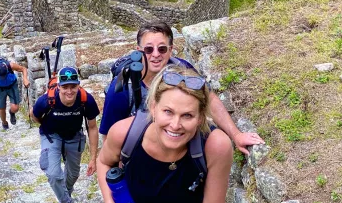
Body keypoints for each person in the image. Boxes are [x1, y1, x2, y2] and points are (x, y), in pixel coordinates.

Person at [99, 21, 264, 155]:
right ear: (138, 51)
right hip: (141, 155)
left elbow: (209, 99)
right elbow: (108, 136)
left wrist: (236, 135)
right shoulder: (121, 90)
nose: (156, 54)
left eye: (162, 48)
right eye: (148, 49)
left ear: (170, 50)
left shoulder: (182, 69)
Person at [97, 65, 233, 203]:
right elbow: (103, 162)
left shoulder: (215, 146)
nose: (175, 125)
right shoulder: (124, 134)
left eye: (187, 115)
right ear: (153, 108)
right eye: (168, 112)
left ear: (200, 118)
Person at [31, 66, 100, 203]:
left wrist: (93, 158)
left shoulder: (86, 100)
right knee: (54, 174)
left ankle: (65, 194)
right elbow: (35, 116)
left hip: (74, 136)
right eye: (65, 87)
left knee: (74, 174)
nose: (69, 91)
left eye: (73, 86)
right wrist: (46, 125)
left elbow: (93, 127)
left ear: (78, 85)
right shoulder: (47, 100)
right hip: (51, 135)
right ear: (59, 86)